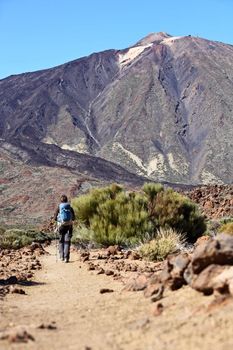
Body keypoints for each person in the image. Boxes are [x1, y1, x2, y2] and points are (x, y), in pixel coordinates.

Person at [54, 195, 75, 263]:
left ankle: (61, 256)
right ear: (66, 200)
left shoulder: (59, 207)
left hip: (61, 226)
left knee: (61, 241)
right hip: (69, 226)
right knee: (67, 241)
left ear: (61, 200)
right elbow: (74, 217)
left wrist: (58, 220)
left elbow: (55, 218)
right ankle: (66, 258)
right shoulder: (70, 207)